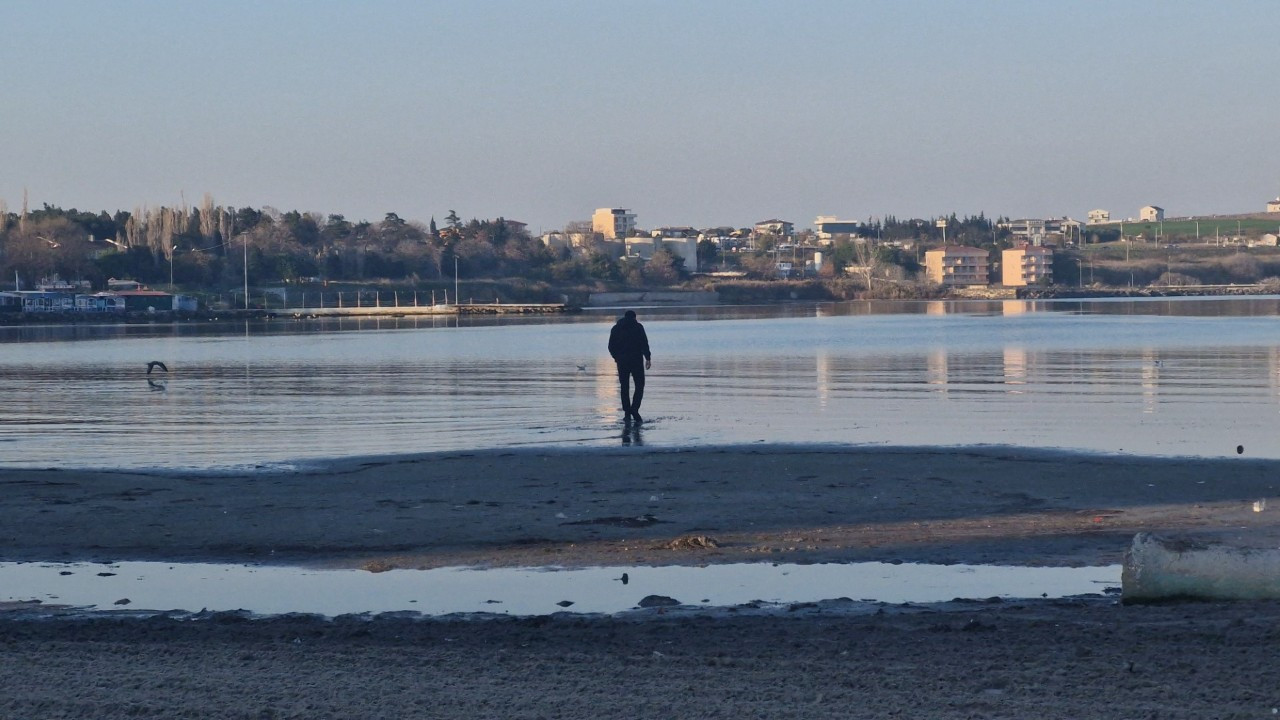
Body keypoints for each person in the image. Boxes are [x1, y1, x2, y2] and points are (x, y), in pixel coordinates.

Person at [608, 309, 651, 423]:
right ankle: (635, 409)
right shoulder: (638, 327)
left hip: (622, 361)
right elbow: (644, 343)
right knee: (639, 385)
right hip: (636, 360)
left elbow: (611, 346)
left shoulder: (616, 328)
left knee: (624, 386)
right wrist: (648, 358)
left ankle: (627, 412)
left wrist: (616, 357)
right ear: (634, 317)